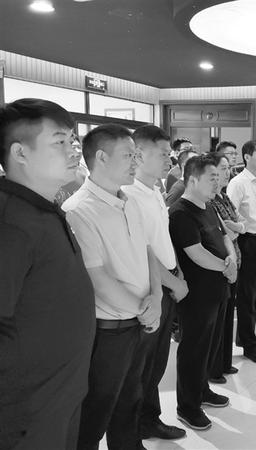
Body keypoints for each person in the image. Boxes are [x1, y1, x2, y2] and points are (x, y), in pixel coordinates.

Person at [0, 98, 95, 450]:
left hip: (60, 394)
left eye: (73, 140)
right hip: (25, 412)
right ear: (20, 153)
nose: (74, 150)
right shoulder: (11, 224)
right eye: (59, 141)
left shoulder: (45, 209)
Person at [62, 124, 163, 450]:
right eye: (129, 155)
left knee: (131, 398)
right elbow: (98, 279)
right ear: (102, 157)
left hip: (140, 319)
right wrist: (144, 311)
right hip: (108, 330)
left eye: (136, 155)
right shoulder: (79, 210)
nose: (136, 162)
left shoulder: (128, 200)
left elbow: (147, 251)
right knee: (96, 409)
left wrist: (158, 297)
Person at [122, 125, 189, 441]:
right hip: (151, 289)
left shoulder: (153, 192)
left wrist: (178, 272)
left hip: (167, 282)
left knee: (157, 362)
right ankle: (135, 427)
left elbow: (162, 240)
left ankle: (150, 418)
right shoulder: (130, 195)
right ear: (139, 155)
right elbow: (143, 251)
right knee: (142, 366)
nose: (169, 160)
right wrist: (172, 283)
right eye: (162, 154)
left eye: (169, 154)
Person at [169, 155, 237, 431]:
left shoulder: (208, 206)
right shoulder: (180, 212)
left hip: (218, 288)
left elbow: (224, 236)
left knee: (209, 346)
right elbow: (195, 253)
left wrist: (232, 260)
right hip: (196, 295)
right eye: (212, 178)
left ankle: (202, 390)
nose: (217, 183)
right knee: (193, 349)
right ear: (193, 179)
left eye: (219, 178)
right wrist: (227, 268)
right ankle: (187, 406)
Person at [226, 139, 256, 365]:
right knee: (247, 295)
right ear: (247, 157)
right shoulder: (238, 183)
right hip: (249, 242)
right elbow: (229, 216)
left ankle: (247, 336)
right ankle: (248, 345)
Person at [208, 152, 244, 383]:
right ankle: (213, 368)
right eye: (222, 169)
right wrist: (237, 228)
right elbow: (228, 233)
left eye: (228, 168)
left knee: (228, 315)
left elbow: (241, 224)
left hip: (235, 260)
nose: (227, 173)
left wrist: (237, 227)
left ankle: (224, 362)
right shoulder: (209, 201)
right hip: (222, 264)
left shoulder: (224, 197)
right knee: (217, 321)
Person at [55, 135, 89, 206]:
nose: (77, 151)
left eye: (79, 147)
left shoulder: (84, 172)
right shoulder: (51, 175)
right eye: (73, 147)